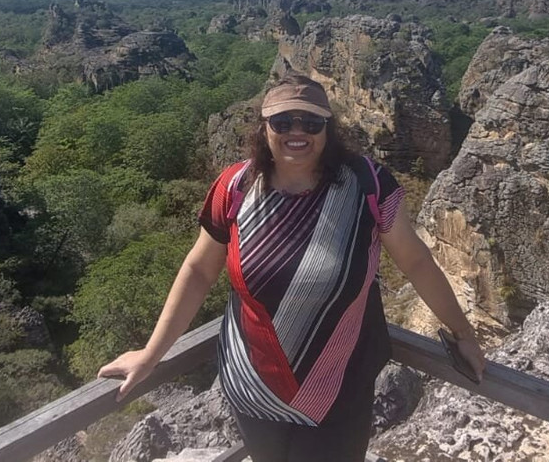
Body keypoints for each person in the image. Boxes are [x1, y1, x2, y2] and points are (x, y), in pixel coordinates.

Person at [98, 72, 485, 462]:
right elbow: (199, 271)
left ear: (328, 128)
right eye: (282, 122)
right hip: (254, 386)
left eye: (311, 122)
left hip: (340, 387)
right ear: (264, 128)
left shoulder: (368, 184)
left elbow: (416, 262)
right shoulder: (236, 187)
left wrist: (463, 331)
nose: (296, 132)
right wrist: (150, 354)